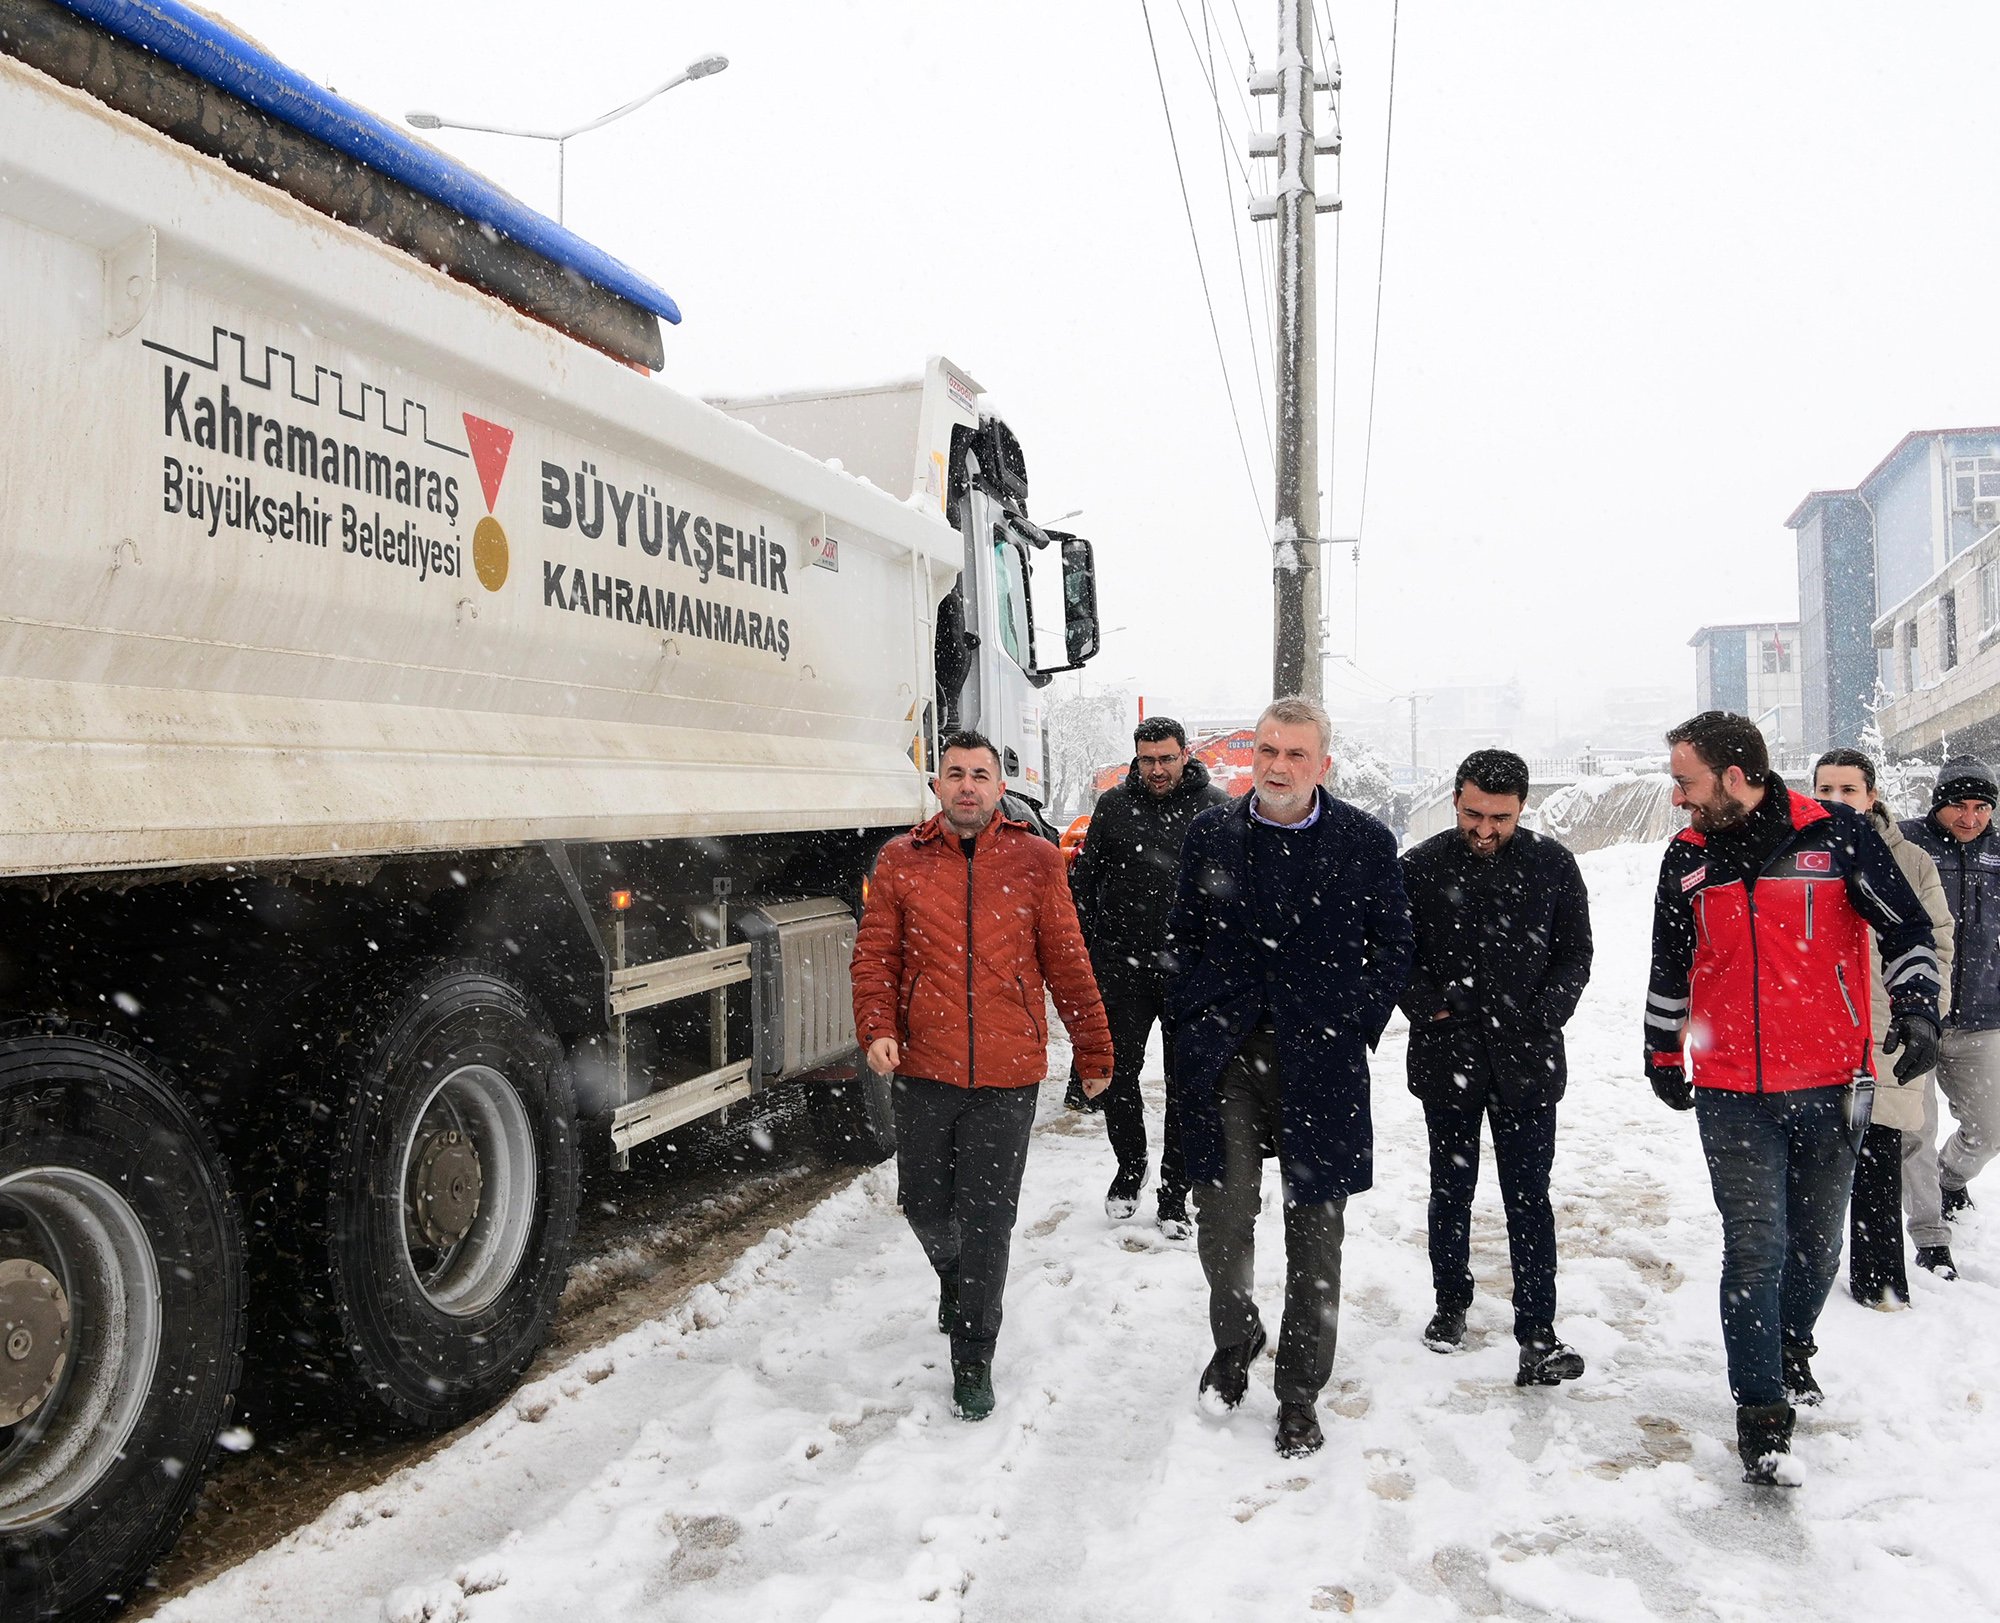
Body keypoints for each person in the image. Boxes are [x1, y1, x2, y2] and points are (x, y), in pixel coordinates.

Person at [1645, 712, 1939, 1486]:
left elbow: (1905, 925)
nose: (1678, 798)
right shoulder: (1687, 857)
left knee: (1816, 1248)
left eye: (1687, 781)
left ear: (1734, 776)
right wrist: (1660, 1051)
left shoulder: (1835, 834)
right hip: (1732, 1088)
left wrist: (1917, 1005)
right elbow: (1670, 967)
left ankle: (1790, 1345)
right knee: (1754, 1246)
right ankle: (1762, 1416)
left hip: (1833, 1082)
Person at [1164, 696, 1412, 1458]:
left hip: (1322, 1061)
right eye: (1268, 750)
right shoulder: (1209, 832)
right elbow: (1181, 937)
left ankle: (1300, 1391)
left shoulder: (1367, 842)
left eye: (1295, 754)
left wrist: (1355, 1021)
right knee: (1225, 1214)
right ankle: (1235, 1342)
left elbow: (1394, 944)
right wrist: (1193, 1013)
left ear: (1322, 764)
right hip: (1228, 1054)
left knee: (1315, 1233)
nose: (1277, 765)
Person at [851, 730, 1115, 1421]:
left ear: (1002, 788)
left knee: (988, 1217)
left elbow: (1067, 957)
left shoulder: (1034, 860)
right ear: (936, 786)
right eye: (955, 774)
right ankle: (954, 1276)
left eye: (980, 774)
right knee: (923, 1203)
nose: (967, 785)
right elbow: (875, 955)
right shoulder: (900, 860)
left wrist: (1095, 1051)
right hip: (926, 1064)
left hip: (1008, 1071)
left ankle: (973, 1354)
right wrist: (878, 1027)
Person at [1400, 749, 1594, 1384]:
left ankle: (1537, 1329)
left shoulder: (1553, 865)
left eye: (1500, 819)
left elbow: (1575, 955)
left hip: (1527, 1063)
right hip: (1446, 1057)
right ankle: (1449, 1306)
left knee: (1528, 1199)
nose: (1484, 830)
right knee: (1450, 1193)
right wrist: (1431, 1009)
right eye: (1472, 814)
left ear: (1522, 808)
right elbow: (1394, 953)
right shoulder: (1421, 868)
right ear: (1456, 799)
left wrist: (1544, 1015)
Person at [1069, 716, 1229, 1238]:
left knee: (1187, 1086)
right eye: (1147, 759)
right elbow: (1085, 884)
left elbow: (1234, 892)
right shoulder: (1114, 807)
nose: (1156, 769)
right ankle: (1129, 1167)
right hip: (1124, 969)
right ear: (1136, 758)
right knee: (1118, 1075)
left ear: (1185, 753)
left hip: (1191, 973)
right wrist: (1097, 946)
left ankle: (1174, 1193)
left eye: (1166, 757)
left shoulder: (1217, 809)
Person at [1811, 749, 1954, 1308]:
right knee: (1818, 1159)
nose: (1837, 801)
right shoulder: (1799, 856)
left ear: (1871, 796)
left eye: (1849, 790)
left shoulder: (1911, 860)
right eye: (1826, 790)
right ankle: (1806, 1277)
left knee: (1879, 1150)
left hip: (1887, 1030)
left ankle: (1879, 1282)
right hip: (1818, 1030)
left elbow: (1937, 939)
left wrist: (1918, 1007)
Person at [1899, 756, 2000, 1277]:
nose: (1970, 817)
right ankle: (1930, 1235)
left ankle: (1952, 1177)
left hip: (1984, 1017)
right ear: (1939, 803)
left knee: (1990, 1126)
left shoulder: (1998, 852)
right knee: (1915, 1127)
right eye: (1959, 805)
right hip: (1916, 1013)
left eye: (1982, 806)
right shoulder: (1906, 845)